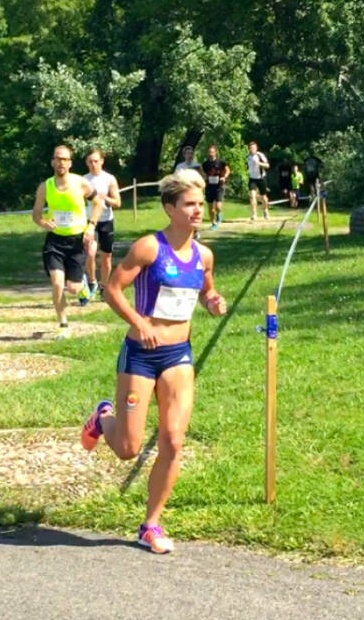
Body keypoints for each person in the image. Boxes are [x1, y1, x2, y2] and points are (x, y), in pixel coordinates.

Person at [80, 170, 227, 554]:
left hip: (179, 355)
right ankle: (103, 419)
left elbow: (206, 290)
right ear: (170, 208)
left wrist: (212, 302)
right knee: (129, 448)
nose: (198, 210)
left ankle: (151, 524)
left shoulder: (204, 255)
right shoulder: (150, 247)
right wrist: (139, 323)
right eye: (190, 204)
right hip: (141, 355)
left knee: (174, 441)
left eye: (200, 203)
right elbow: (112, 290)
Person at [31, 145, 104, 337]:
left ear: (70, 163)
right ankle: (63, 323)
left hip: (76, 242)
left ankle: (83, 287)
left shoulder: (81, 183)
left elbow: (98, 204)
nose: (61, 162)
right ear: (52, 162)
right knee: (57, 284)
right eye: (58, 159)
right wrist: (44, 223)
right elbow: (36, 214)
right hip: (55, 242)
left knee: (73, 288)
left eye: (65, 159)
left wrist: (91, 225)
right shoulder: (45, 186)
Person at [83, 148, 121, 297]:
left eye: (96, 161)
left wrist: (106, 198)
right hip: (89, 220)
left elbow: (117, 202)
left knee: (106, 256)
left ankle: (105, 286)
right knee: (90, 254)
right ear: (86, 163)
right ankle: (92, 281)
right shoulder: (83, 180)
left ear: (102, 162)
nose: (93, 164)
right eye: (90, 161)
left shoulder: (109, 179)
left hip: (106, 220)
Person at [202, 144, 230, 228]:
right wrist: (204, 178)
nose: (211, 153)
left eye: (212, 152)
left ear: (215, 153)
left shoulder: (221, 162)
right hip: (209, 186)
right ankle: (213, 223)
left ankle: (219, 214)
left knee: (218, 206)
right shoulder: (205, 164)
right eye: (209, 152)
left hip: (219, 186)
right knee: (210, 207)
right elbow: (202, 172)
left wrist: (224, 177)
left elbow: (228, 170)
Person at [246, 141, 270, 221]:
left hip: (261, 178)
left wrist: (259, 163)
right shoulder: (248, 156)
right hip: (252, 179)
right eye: (250, 148)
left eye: (253, 148)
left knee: (263, 197)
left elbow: (267, 165)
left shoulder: (260, 155)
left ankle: (265, 210)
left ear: (256, 148)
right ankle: (254, 214)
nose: (252, 149)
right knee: (252, 196)